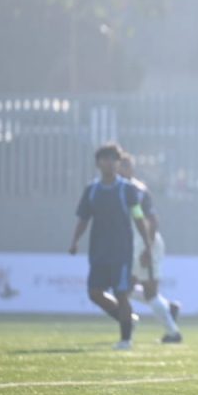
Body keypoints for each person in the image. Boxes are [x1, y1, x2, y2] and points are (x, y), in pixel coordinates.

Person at [69, 143, 153, 350]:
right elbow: (83, 219)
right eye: (105, 159)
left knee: (121, 293)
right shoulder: (92, 190)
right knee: (94, 292)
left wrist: (147, 245)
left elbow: (138, 217)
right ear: (98, 163)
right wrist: (75, 241)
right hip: (98, 251)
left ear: (118, 163)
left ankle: (125, 339)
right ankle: (128, 320)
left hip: (121, 252)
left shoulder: (127, 190)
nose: (109, 163)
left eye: (113, 159)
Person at [117, 152, 182, 343]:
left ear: (130, 169)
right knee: (125, 289)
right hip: (135, 245)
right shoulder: (120, 189)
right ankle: (168, 310)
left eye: (122, 166)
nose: (118, 171)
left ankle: (172, 332)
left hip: (143, 244)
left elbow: (152, 220)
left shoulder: (137, 190)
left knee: (137, 290)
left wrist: (148, 247)